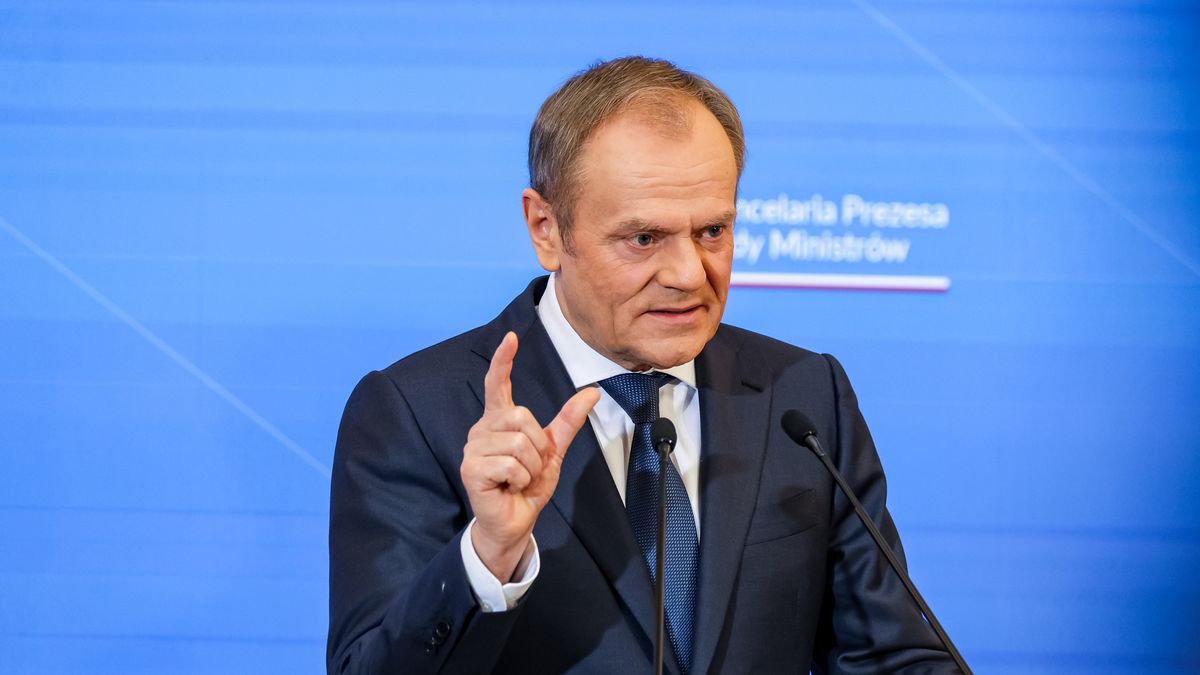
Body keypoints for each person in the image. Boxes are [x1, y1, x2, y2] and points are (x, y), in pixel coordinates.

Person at [328, 56, 958, 674]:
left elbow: (889, 656)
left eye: (713, 230)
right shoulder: (418, 412)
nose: (689, 274)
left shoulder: (801, 396)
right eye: (644, 239)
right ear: (545, 227)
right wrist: (488, 557)